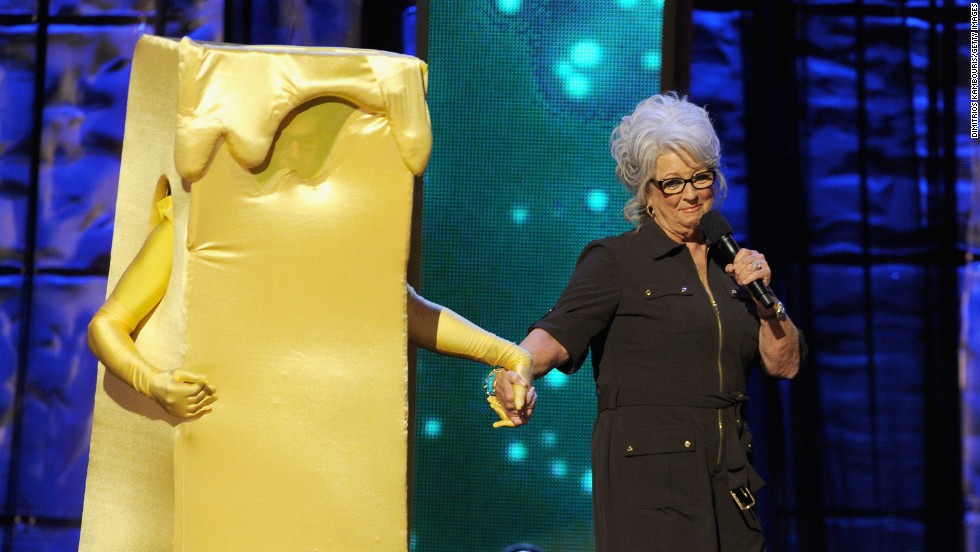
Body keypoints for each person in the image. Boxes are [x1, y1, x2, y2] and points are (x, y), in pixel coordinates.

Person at [495, 92, 805, 551]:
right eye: (673, 182)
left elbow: (785, 365)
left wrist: (767, 302)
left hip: (730, 481)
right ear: (647, 192)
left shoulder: (732, 266)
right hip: (651, 490)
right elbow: (558, 334)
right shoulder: (618, 260)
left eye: (700, 177)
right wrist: (517, 367)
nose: (690, 193)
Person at [86, 191, 534, 427]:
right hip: (219, 434)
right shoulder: (193, 226)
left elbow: (413, 315)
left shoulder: (337, 232)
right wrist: (153, 383)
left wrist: (511, 358)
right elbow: (107, 324)